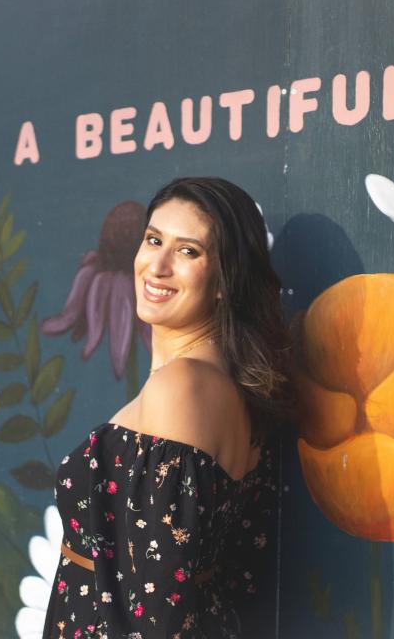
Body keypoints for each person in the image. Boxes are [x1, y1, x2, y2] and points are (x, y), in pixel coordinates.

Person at [43, 177, 296, 638]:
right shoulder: (216, 383)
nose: (156, 265)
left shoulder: (183, 386)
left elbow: (158, 604)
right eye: (154, 240)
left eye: (188, 251)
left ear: (224, 281)